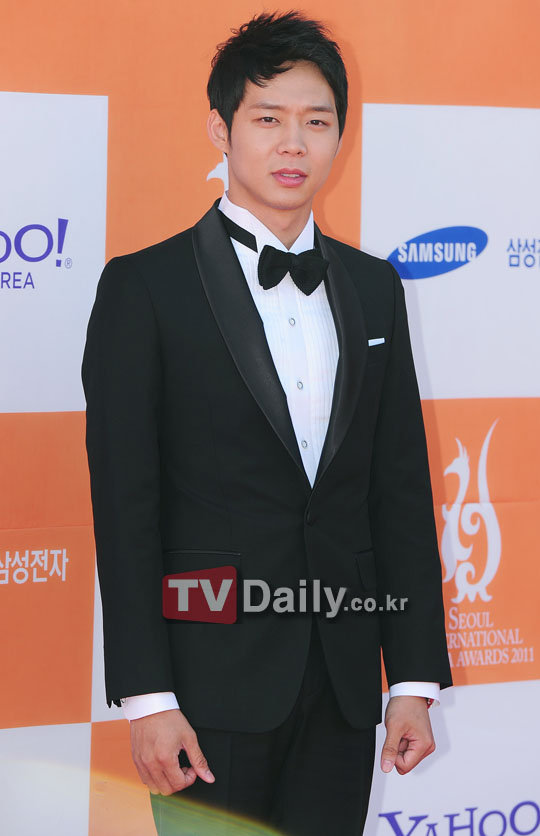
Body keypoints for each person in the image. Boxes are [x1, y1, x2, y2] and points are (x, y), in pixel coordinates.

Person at [82, 10, 452, 836]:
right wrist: (148, 698)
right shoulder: (145, 288)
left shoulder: (374, 288)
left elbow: (398, 490)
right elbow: (126, 506)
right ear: (221, 129)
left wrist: (412, 681)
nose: (294, 144)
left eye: (316, 122)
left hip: (345, 688)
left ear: (340, 135)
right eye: (268, 119)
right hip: (205, 689)